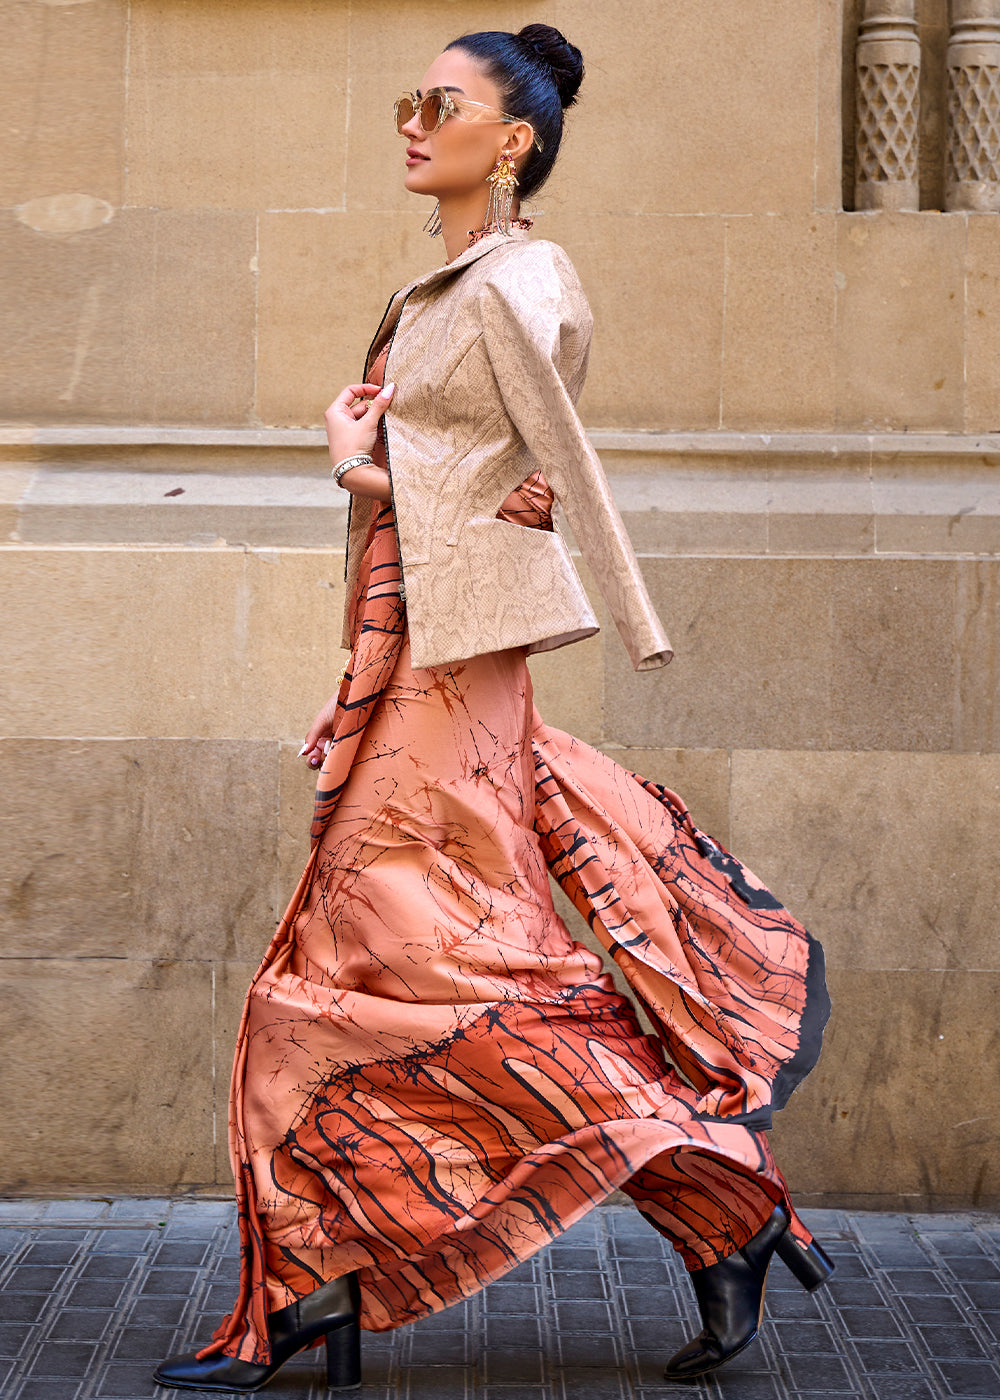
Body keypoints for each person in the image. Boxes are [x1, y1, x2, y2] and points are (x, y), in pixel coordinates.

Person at [154, 23, 833, 1394]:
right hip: (427, 668)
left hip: (458, 674)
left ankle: (714, 1200)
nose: (413, 122)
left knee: (417, 987)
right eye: (411, 102)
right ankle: (324, 1290)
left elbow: (536, 470)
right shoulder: (450, 285)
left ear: (513, 140)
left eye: (442, 104)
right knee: (336, 993)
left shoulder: (520, 280)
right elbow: (492, 473)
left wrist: (361, 463)